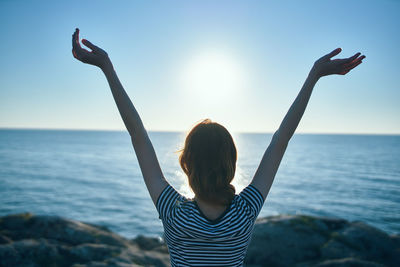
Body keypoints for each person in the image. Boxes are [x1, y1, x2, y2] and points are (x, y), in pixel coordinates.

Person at [72, 28, 365, 266]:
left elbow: (138, 134)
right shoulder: (246, 211)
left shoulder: (174, 212)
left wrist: (107, 69)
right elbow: (281, 139)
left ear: (186, 164)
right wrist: (313, 76)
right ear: (232, 163)